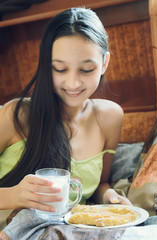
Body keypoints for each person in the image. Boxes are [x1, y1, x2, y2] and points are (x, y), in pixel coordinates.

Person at [0, 7, 131, 229]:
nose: (73, 83)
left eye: (87, 69)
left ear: (104, 63)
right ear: (45, 66)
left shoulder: (110, 117)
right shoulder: (17, 115)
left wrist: (110, 197)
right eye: (60, 69)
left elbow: (100, 183)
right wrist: (14, 195)